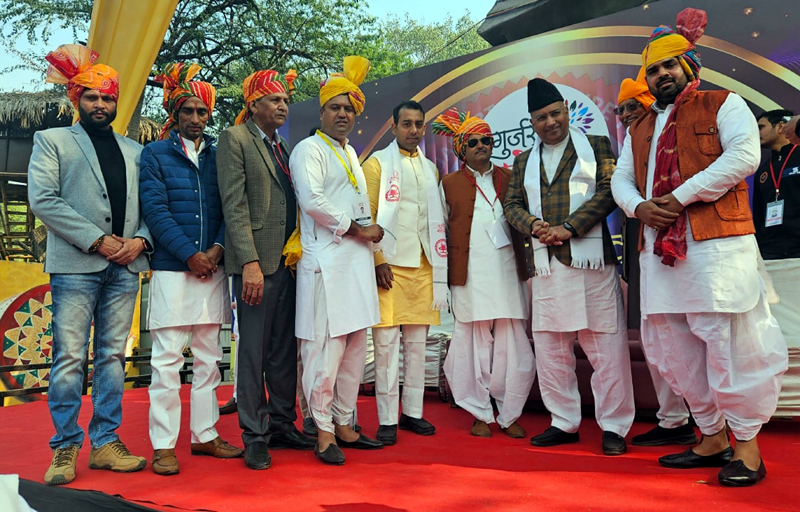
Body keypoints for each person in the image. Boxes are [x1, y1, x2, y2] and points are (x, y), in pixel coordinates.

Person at [610, 8, 788, 486]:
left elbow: (745, 156)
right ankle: (711, 437)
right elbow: (621, 179)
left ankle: (747, 448)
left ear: (689, 65)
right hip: (659, 250)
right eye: (652, 69)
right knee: (671, 347)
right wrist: (639, 207)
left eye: (669, 65)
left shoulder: (723, 103)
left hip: (716, 247)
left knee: (728, 344)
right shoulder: (640, 127)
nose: (661, 75)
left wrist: (680, 196)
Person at [28, 44, 151, 485]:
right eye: (92, 97)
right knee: (69, 358)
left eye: (108, 98)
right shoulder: (53, 141)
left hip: (126, 266)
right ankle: (64, 447)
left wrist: (141, 240)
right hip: (76, 265)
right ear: (76, 99)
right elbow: (43, 199)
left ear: (117, 102)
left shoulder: (136, 151)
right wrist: (98, 240)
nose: (101, 104)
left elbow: (151, 206)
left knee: (113, 357)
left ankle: (105, 443)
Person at [504, 78, 635, 456]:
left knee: (606, 347)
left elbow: (609, 191)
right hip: (548, 266)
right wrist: (533, 225)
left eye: (555, 113)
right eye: (541, 117)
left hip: (592, 263)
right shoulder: (523, 161)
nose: (550, 122)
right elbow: (511, 205)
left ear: (566, 109)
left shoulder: (596, 146)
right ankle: (563, 421)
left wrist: (569, 227)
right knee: (551, 349)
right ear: (532, 122)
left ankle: (614, 426)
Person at [140, 62, 243, 476]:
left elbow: (229, 208)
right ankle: (163, 445)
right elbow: (155, 210)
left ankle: (204, 435)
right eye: (188, 111)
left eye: (202, 112)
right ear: (175, 113)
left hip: (212, 269)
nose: (195, 118)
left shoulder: (219, 157)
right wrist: (189, 255)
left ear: (209, 115)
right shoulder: (155, 154)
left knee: (209, 358)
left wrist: (216, 249)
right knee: (166, 360)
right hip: (172, 269)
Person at [217, 68, 316, 471]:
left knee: (282, 350)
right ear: (254, 103)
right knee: (254, 351)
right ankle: (254, 434)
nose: (282, 106)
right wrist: (250, 263)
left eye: (286, 101)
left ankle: (282, 423)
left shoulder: (283, 146)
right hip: (257, 264)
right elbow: (234, 205)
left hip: (288, 264)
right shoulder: (234, 139)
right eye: (275, 100)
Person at [289, 56, 385, 465]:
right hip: (326, 265)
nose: (343, 114)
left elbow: (362, 208)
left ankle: (345, 422)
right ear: (322, 112)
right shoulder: (308, 149)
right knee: (324, 353)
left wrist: (371, 247)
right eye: (335, 107)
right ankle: (323, 429)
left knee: (354, 350)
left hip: (356, 265)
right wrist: (358, 230)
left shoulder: (351, 154)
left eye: (349, 108)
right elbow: (312, 201)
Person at [434, 108, 534, 438]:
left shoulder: (510, 177)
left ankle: (509, 412)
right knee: (471, 344)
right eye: (473, 142)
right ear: (461, 149)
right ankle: (478, 411)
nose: (481, 146)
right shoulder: (448, 183)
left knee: (512, 343)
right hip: (470, 274)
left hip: (508, 272)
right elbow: (439, 230)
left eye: (486, 141)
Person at [617, 74, 697, 447]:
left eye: (632, 106)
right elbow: (621, 184)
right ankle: (673, 419)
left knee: (697, 333)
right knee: (656, 336)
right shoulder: (631, 140)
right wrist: (638, 207)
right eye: (620, 111)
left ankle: (715, 421)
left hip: (691, 241)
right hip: (645, 245)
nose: (625, 115)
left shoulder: (680, 125)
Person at [361, 100, 447, 445]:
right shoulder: (377, 164)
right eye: (407, 124)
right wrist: (378, 260)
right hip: (390, 266)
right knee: (385, 347)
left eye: (419, 124)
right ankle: (386, 419)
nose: (414, 130)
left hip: (424, 265)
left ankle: (412, 412)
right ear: (393, 127)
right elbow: (367, 216)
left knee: (416, 345)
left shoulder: (431, 168)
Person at [754, 110, 800, 351]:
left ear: (781, 126)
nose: (756, 133)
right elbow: (758, 215)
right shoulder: (763, 170)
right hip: (771, 256)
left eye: (760, 127)